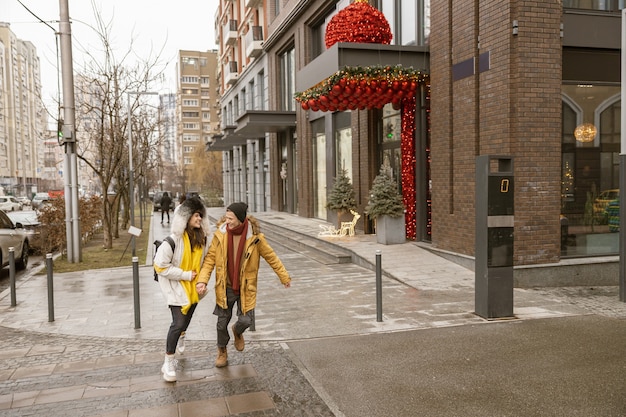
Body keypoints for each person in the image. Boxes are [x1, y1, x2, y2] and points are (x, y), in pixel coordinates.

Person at [196, 202, 291, 368]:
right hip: (225, 286)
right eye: (226, 217)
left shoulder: (255, 239)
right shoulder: (220, 236)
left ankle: (237, 331)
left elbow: (272, 257)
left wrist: (284, 277)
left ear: (240, 219)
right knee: (221, 324)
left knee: (246, 321)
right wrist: (202, 280)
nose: (227, 221)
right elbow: (210, 259)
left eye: (230, 218)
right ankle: (222, 351)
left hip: (246, 287)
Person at [154, 197, 213, 382]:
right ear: (186, 217)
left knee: (185, 322)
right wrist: (185, 275)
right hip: (175, 288)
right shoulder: (172, 241)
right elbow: (160, 266)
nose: (199, 218)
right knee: (178, 323)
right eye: (196, 215)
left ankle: (182, 335)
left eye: (200, 215)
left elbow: (205, 262)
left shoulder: (202, 240)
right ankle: (168, 361)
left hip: (194, 290)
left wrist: (202, 281)